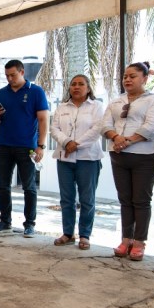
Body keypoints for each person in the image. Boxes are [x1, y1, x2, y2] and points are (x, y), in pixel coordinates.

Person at [100, 62, 154, 260]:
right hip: (119, 155)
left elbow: (151, 126)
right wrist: (116, 138)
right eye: (125, 77)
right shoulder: (116, 101)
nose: (127, 80)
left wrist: (127, 140)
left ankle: (139, 242)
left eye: (133, 76)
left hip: (145, 157)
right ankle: (125, 239)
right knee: (125, 200)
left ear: (145, 79)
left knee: (141, 200)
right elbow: (105, 124)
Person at [0, 60, 50, 238]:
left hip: (27, 147)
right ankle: (5, 222)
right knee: (3, 186)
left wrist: (41, 146)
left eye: (13, 75)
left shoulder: (36, 91)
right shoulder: (2, 92)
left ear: (22, 72)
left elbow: (43, 120)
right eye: (7, 75)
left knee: (29, 187)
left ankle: (29, 224)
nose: (9, 78)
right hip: (4, 146)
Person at [50, 74, 105, 250]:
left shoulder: (97, 106)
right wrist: (67, 142)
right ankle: (68, 233)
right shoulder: (62, 107)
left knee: (87, 199)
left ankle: (85, 235)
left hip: (88, 158)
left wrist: (77, 144)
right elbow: (54, 128)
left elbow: (98, 129)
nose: (76, 87)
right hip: (64, 158)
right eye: (73, 84)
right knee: (66, 199)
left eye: (81, 84)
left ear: (88, 88)